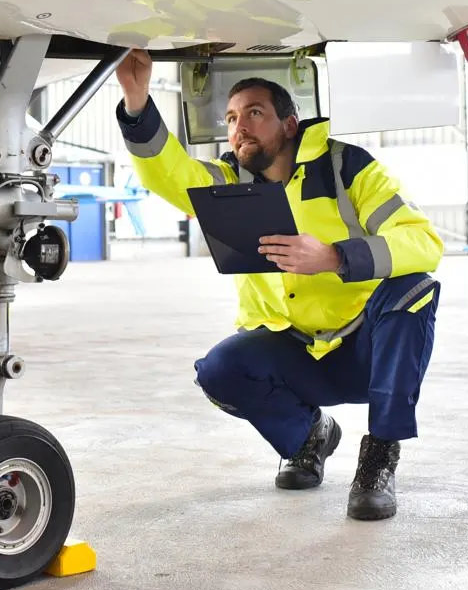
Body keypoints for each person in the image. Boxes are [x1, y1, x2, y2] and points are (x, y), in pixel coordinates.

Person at [114, 49, 442, 521]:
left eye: (254, 113)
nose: (239, 126)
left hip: (365, 349)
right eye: (230, 117)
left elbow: (423, 242)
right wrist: (137, 101)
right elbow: (169, 174)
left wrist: (334, 257)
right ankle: (309, 436)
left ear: (289, 124)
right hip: (293, 353)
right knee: (220, 370)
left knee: (414, 287)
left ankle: (379, 455)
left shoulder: (347, 167)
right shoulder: (228, 181)